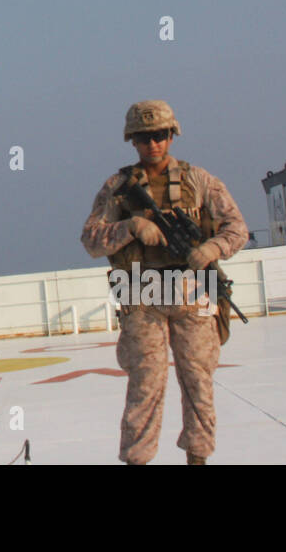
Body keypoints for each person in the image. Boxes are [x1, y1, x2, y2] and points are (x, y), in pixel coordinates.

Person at [81, 100, 249, 465]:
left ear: (171, 135)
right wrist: (131, 227)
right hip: (142, 293)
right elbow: (91, 239)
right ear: (132, 141)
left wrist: (210, 249)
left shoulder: (199, 180)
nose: (152, 145)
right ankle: (138, 459)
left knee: (199, 381)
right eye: (143, 138)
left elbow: (237, 228)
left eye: (159, 136)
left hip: (194, 289)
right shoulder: (119, 187)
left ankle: (198, 457)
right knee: (145, 385)